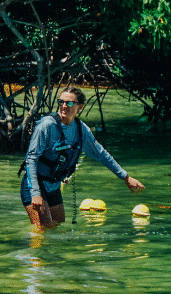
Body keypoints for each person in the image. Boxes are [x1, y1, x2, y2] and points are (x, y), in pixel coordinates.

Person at [20, 86, 145, 228]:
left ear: (80, 107)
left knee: (57, 227)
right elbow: (31, 159)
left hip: (53, 185)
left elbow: (102, 154)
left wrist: (126, 177)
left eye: (69, 103)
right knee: (42, 228)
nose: (64, 106)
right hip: (34, 185)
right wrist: (35, 193)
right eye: (61, 102)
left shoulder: (81, 130)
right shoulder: (47, 125)